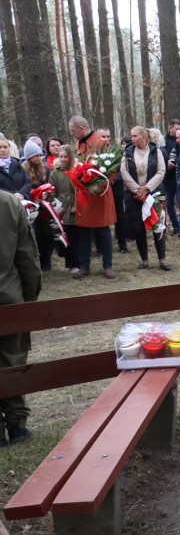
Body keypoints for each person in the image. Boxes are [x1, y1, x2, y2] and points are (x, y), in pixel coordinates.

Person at [0, 188, 42, 446]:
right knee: (12, 358)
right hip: (8, 296)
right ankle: (16, 425)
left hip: (10, 295)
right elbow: (27, 256)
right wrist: (29, 296)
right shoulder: (8, 202)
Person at [68, 117, 117, 279]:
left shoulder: (102, 144)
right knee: (83, 231)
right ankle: (84, 266)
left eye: (72, 130)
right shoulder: (79, 143)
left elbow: (112, 169)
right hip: (84, 195)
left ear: (81, 128)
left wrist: (97, 187)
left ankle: (108, 266)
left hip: (99, 195)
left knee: (103, 231)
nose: (71, 134)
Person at [121, 126, 170, 271]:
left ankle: (162, 260)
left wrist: (147, 188)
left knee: (158, 226)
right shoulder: (127, 152)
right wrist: (138, 190)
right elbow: (124, 172)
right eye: (131, 136)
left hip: (154, 193)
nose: (132, 138)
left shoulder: (156, 151)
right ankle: (144, 260)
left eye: (135, 136)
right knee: (139, 228)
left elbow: (161, 171)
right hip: (134, 195)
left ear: (143, 136)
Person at [20, 141, 53, 271]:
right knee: (35, 235)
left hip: (44, 206)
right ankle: (36, 261)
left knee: (47, 234)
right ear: (29, 156)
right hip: (30, 207)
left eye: (40, 155)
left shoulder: (45, 169)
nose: (38, 157)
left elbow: (50, 185)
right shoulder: (22, 170)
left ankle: (46, 261)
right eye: (35, 155)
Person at [49, 145, 80, 274]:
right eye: (60, 157)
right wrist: (56, 207)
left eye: (65, 157)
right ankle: (72, 264)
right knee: (68, 238)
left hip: (76, 207)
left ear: (70, 157)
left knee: (78, 237)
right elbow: (52, 192)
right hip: (63, 208)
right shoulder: (55, 173)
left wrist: (78, 204)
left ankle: (81, 262)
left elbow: (81, 189)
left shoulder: (77, 170)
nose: (63, 159)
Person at [162, 119, 180, 237]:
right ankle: (176, 226)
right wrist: (166, 164)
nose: (179, 131)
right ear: (170, 128)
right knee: (169, 203)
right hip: (168, 177)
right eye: (177, 129)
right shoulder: (163, 142)